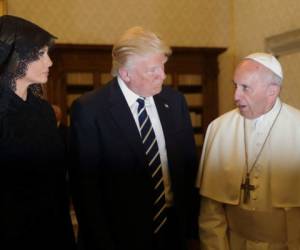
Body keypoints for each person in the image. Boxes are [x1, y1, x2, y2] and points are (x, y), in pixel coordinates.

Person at [69, 26, 199, 250]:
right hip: (119, 235)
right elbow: (86, 189)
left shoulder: (175, 102)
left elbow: (188, 169)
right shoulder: (90, 109)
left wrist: (192, 232)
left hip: (172, 232)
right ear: (125, 73)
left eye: (163, 67)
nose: (163, 75)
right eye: (153, 70)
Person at [196, 52, 300, 249]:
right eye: (235, 86)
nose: (236, 96)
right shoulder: (219, 129)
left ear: (272, 91)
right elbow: (211, 213)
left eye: (245, 88)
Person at [0, 15, 76, 249]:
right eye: (41, 53)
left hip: (50, 230)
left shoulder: (43, 111)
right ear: (17, 57)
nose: (50, 62)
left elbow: (57, 182)